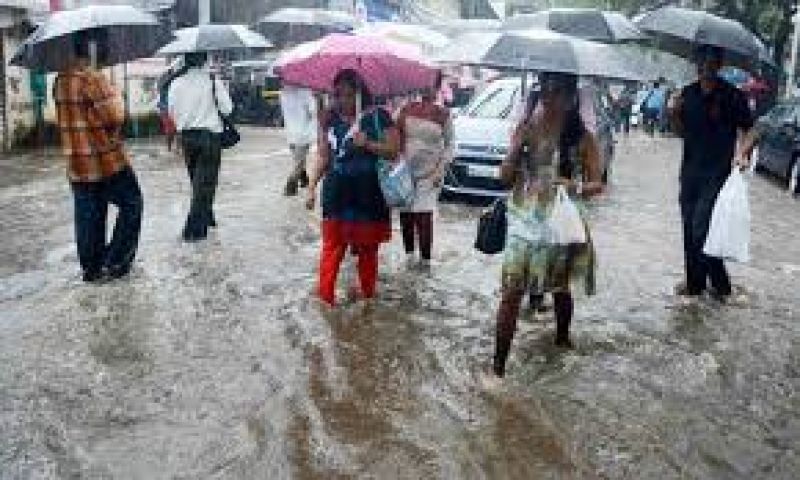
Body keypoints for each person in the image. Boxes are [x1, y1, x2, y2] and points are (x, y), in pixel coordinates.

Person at [491, 72, 604, 379]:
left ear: (570, 99)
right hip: (523, 222)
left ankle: (562, 339)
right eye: (544, 91)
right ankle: (497, 370)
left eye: (556, 92)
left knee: (560, 288)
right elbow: (503, 178)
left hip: (560, 223)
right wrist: (516, 147)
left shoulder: (583, 139)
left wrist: (574, 185)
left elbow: (598, 185)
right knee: (511, 292)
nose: (548, 98)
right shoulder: (526, 129)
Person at [53, 29, 143, 283]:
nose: (107, 50)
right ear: (94, 47)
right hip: (106, 162)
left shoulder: (61, 79)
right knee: (132, 204)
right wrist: (115, 95)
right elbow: (115, 116)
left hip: (76, 164)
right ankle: (116, 261)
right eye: (104, 45)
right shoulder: (93, 78)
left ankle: (92, 269)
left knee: (88, 215)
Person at [305, 70, 400, 307]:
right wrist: (311, 186)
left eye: (349, 95)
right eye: (338, 95)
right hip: (337, 193)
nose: (343, 101)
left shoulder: (379, 116)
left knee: (367, 250)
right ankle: (326, 301)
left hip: (369, 194)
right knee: (332, 248)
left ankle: (367, 300)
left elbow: (393, 151)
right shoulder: (328, 118)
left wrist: (367, 143)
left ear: (361, 94)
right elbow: (324, 155)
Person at [669, 45, 756, 302]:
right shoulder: (687, 94)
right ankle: (697, 288)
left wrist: (742, 152)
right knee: (689, 230)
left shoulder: (732, 96)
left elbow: (752, 130)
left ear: (719, 64)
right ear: (696, 63)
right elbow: (680, 132)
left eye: (711, 61)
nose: (706, 65)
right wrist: (673, 113)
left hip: (717, 175)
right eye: (702, 60)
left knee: (701, 229)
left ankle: (721, 285)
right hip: (690, 173)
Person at [168, 52, 233, 242]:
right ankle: (194, 232)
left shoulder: (176, 83)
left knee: (197, 181)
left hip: (186, 138)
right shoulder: (211, 81)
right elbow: (228, 108)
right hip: (209, 137)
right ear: (204, 61)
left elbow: (171, 111)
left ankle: (208, 218)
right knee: (206, 182)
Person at [396, 73, 453, 269]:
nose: (426, 89)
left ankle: (426, 262)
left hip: (431, 173)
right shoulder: (404, 110)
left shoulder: (443, 114)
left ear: (437, 88)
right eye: (423, 84)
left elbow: (451, 144)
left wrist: (441, 167)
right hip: (405, 171)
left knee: (424, 216)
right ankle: (409, 256)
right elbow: (395, 136)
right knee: (406, 215)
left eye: (430, 85)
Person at [280, 85, 317, 196]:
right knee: (298, 162)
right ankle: (290, 187)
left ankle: (304, 179)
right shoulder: (306, 92)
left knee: (298, 160)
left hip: (290, 132)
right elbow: (313, 111)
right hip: (303, 133)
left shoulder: (283, 93)